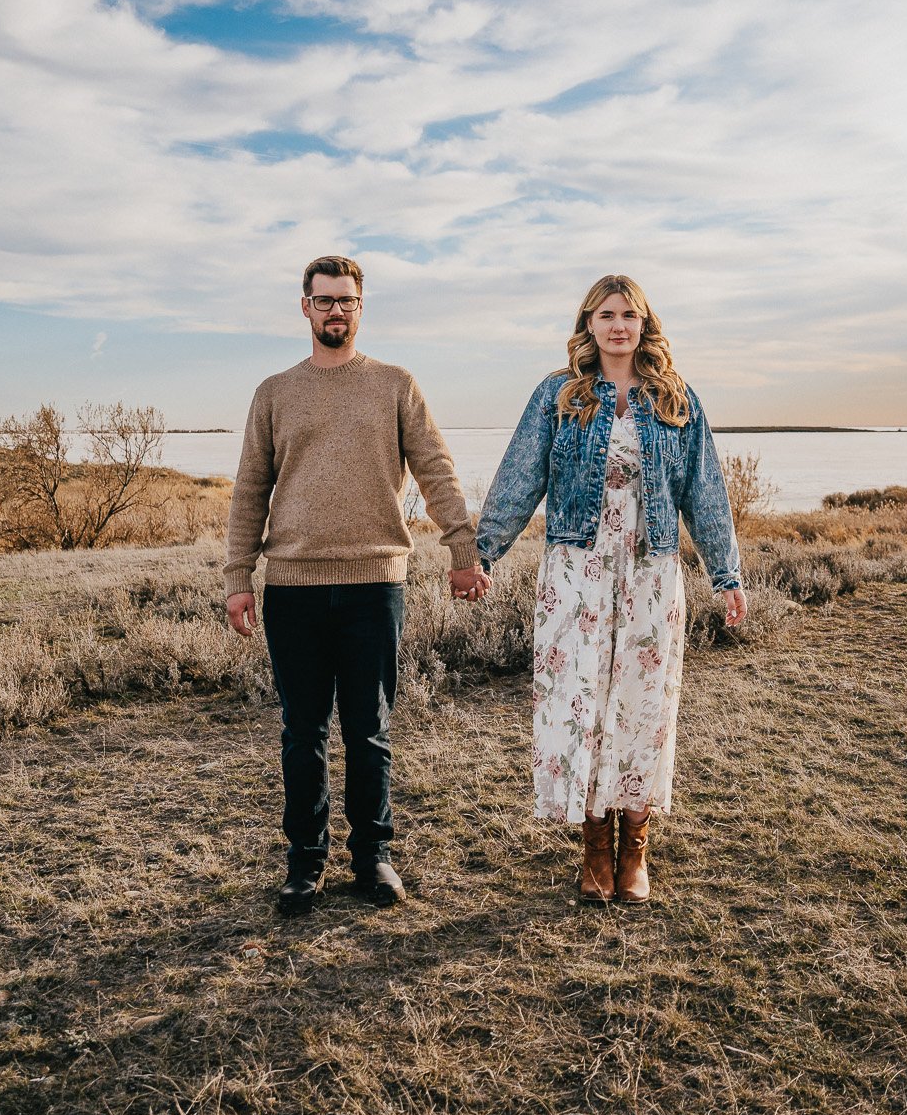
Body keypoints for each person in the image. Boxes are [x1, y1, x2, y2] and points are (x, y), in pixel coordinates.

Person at [224, 255, 492, 915]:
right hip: (293, 587)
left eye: (345, 300)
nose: (335, 310)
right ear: (305, 307)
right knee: (302, 731)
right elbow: (250, 490)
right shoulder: (274, 393)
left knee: (369, 730)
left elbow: (435, 468)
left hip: (375, 585)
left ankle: (373, 858)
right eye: (324, 300)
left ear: (360, 307)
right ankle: (305, 865)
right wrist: (238, 576)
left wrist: (463, 547)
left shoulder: (395, 384)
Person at [476, 273, 745, 904]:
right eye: (606, 315)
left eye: (629, 314)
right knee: (581, 704)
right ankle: (596, 849)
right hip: (577, 576)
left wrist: (726, 574)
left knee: (642, 704)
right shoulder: (559, 394)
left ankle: (636, 848)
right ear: (588, 324)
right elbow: (519, 475)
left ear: (645, 324)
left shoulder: (677, 399)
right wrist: (481, 551)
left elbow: (704, 493)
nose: (618, 325)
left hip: (652, 572)